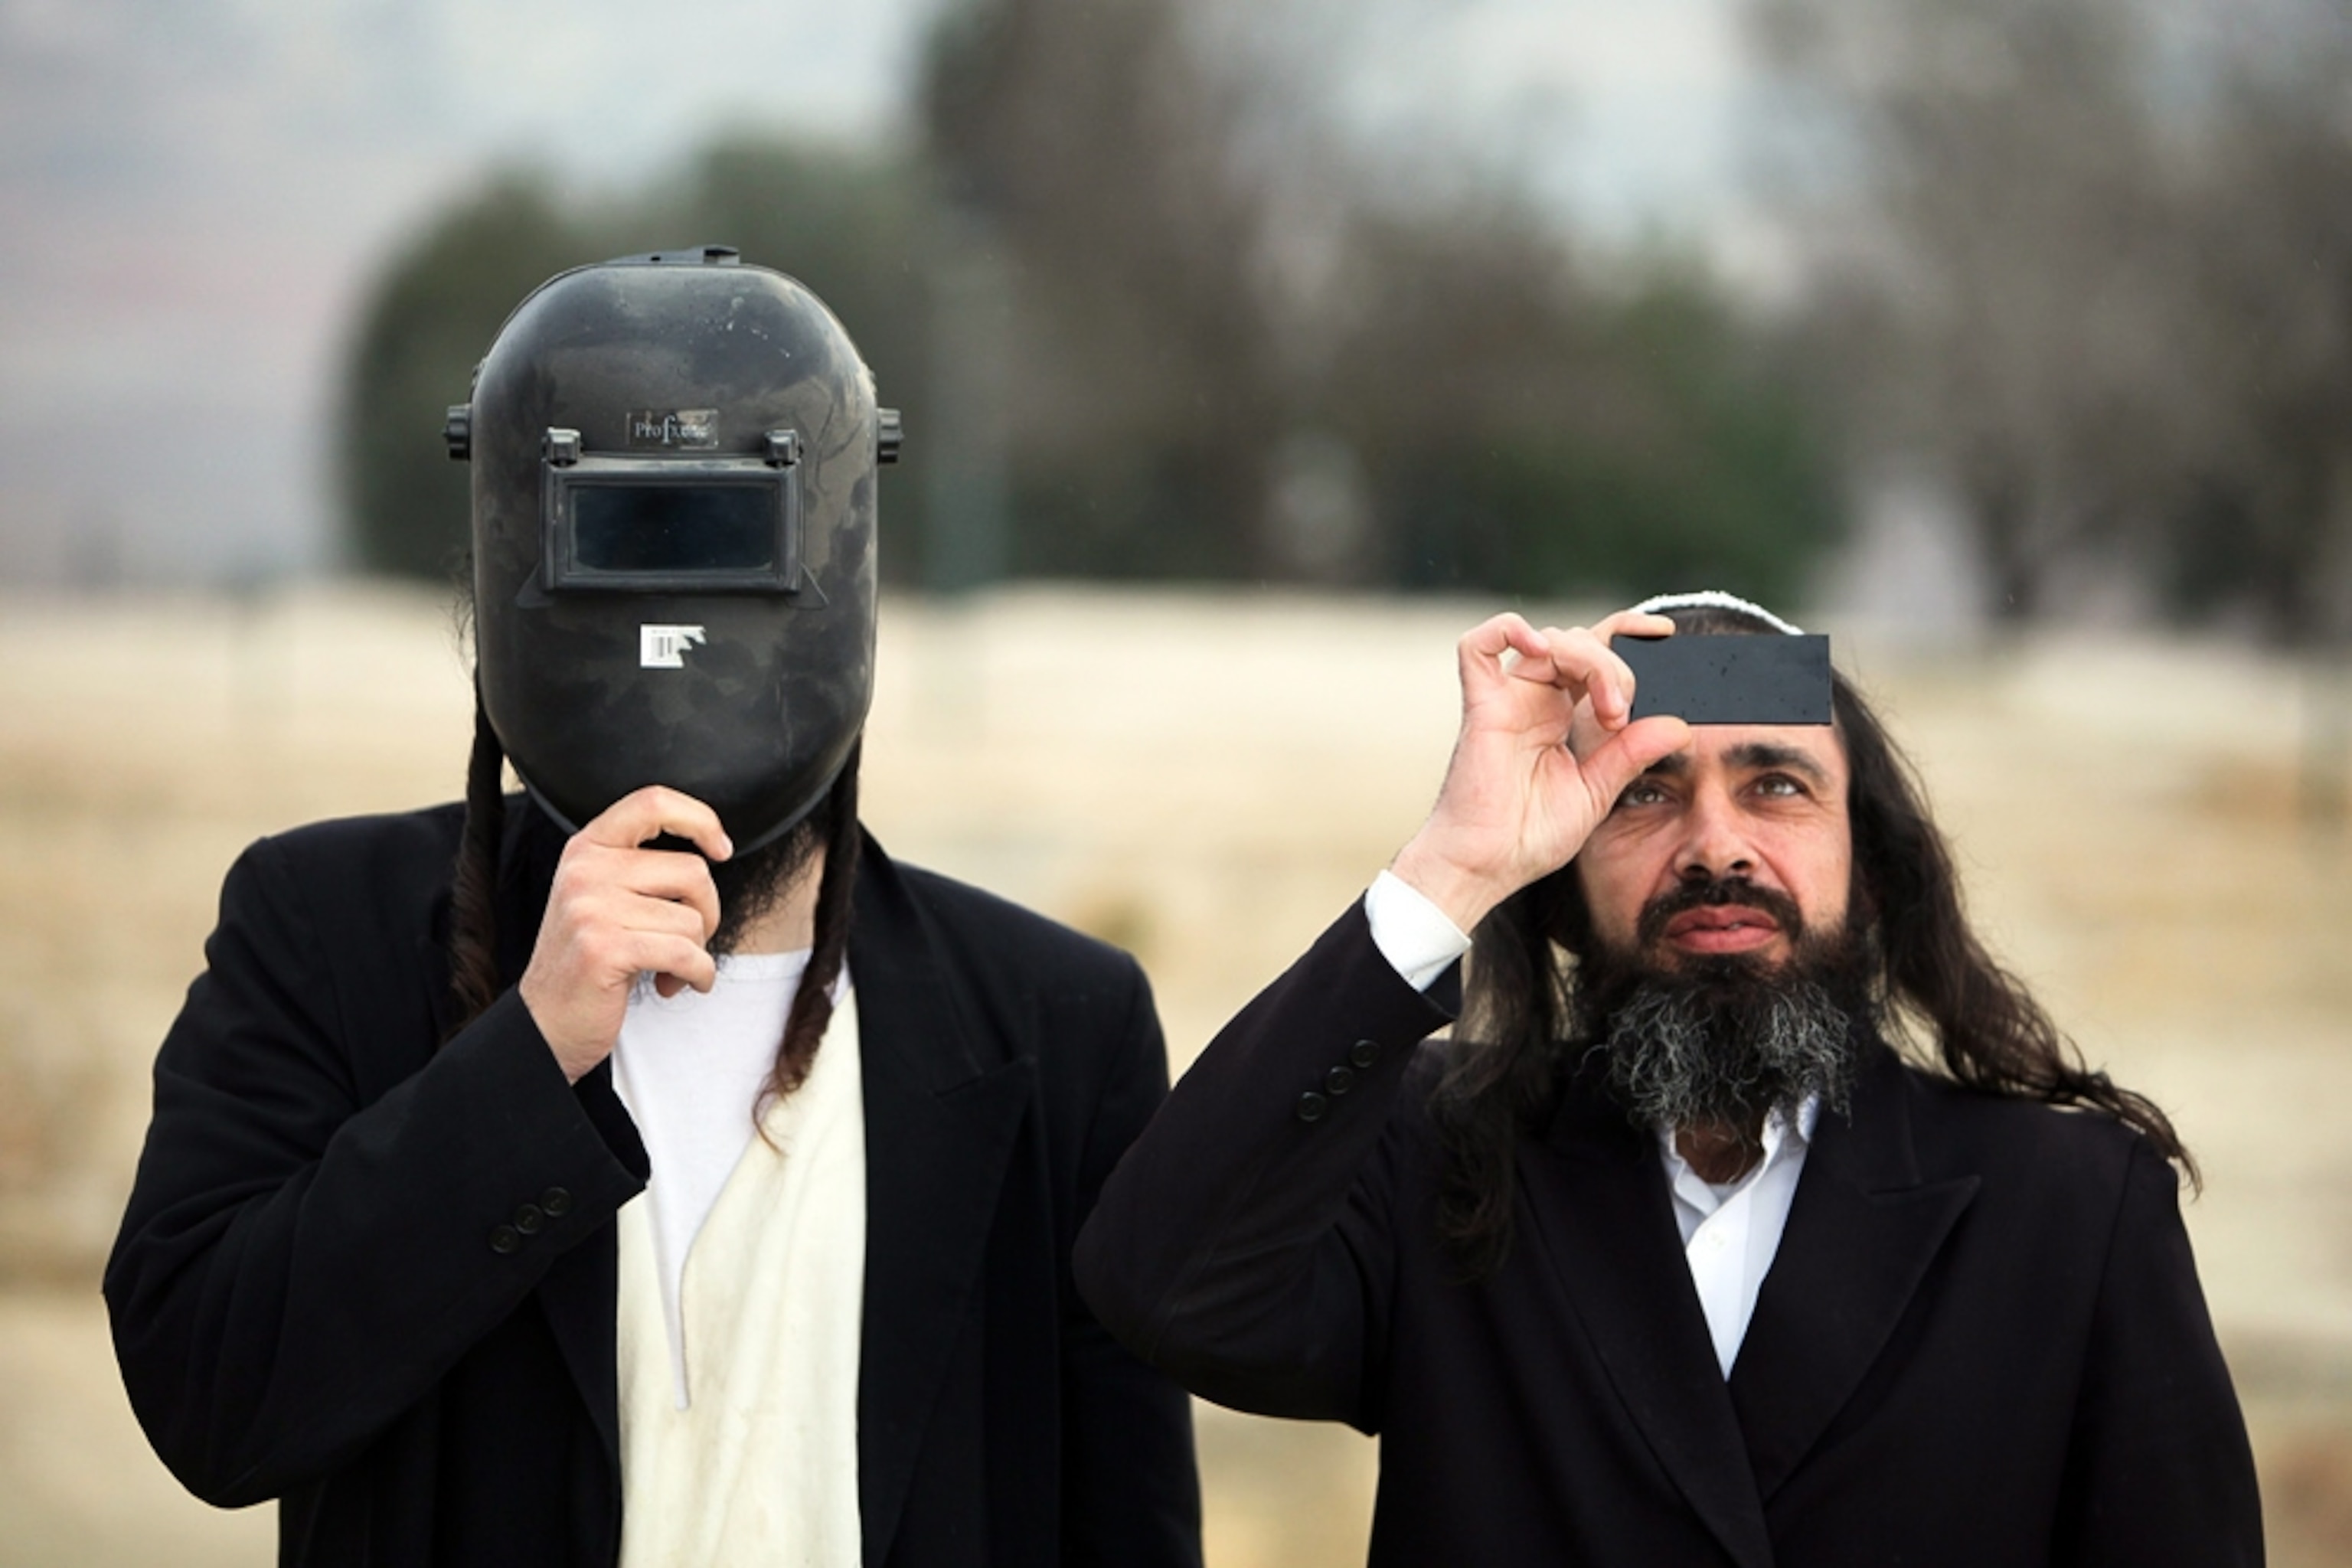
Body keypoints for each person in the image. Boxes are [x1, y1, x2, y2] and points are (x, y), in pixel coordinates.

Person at [106, 248, 1200, 1568]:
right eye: (623, 536)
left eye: (726, 534)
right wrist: (527, 1057)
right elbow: (209, 1405)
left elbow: (1128, 1529)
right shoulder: (322, 930)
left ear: (842, 560)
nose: (679, 618)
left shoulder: (1060, 1028)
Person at [1075, 591, 2261, 1566]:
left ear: (1878, 876)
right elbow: (1162, 1282)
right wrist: (1452, 863)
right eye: (1644, 794)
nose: (1718, 846)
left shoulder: (2070, 1205)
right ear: (1561, 893)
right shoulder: (1443, 1156)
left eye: (1777, 786)